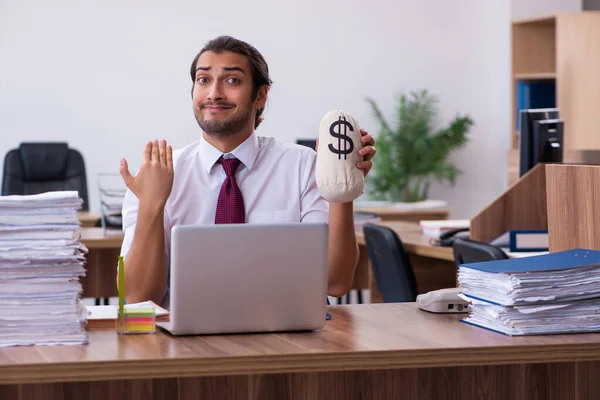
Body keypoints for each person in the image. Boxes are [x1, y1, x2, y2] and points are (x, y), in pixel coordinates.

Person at [118, 36, 377, 308]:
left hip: (285, 339)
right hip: (185, 343)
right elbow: (137, 298)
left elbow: (335, 282)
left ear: (261, 95)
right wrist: (151, 206)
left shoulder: (302, 166)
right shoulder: (158, 174)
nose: (214, 93)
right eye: (203, 80)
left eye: (232, 81)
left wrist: (342, 186)